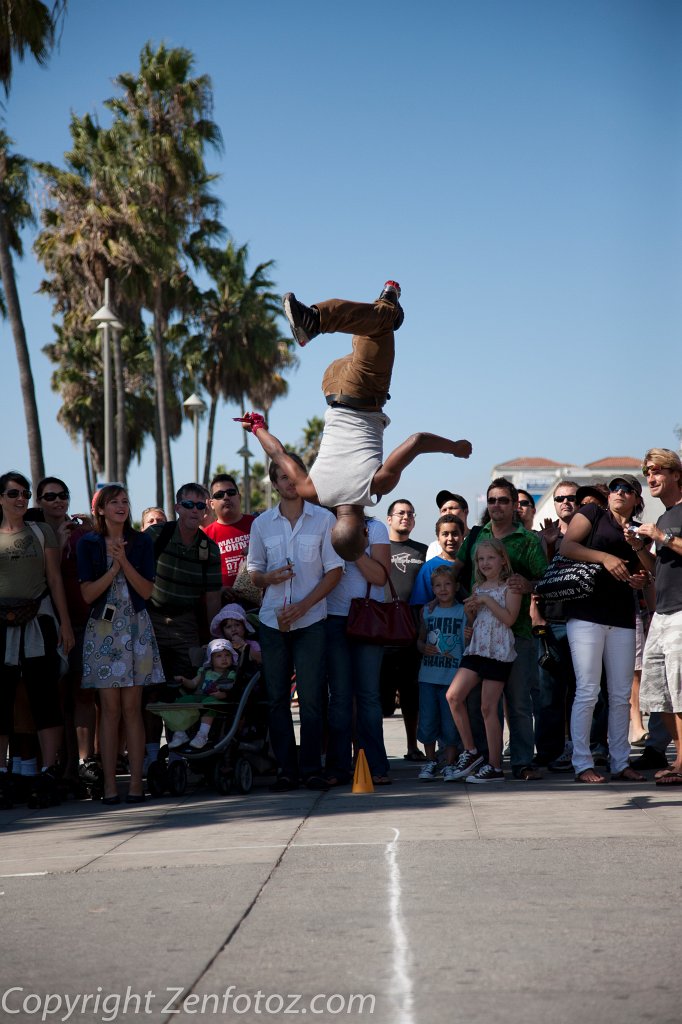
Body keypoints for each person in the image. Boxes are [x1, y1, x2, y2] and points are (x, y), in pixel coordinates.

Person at [240, 282, 472, 559]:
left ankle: (314, 320)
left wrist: (455, 448)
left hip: (365, 389)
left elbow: (417, 441)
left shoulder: (377, 485)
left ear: (364, 530)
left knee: (382, 324)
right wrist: (256, 427)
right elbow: (278, 453)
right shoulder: (311, 492)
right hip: (332, 386)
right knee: (376, 323)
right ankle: (390, 300)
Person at [247, 455, 344, 791]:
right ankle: (286, 768)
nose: (289, 482)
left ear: (302, 478)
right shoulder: (261, 524)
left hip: (312, 620)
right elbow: (253, 574)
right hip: (273, 622)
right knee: (276, 699)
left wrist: (303, 605)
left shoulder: (323, 519)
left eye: (293, 476)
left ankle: (311, 767)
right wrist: (267, 578)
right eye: (282, 477)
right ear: (274, 482)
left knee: (313, 697)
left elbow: (335, 571)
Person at [453, 478, 548, 780]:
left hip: (516, 633)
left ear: (515, 506)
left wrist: (530, 585)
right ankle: (482, 759)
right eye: (492, 500)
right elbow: (460, 573)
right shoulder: (476, 535)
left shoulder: (528, 540)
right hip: (480, 635)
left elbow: (545, 580)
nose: (496, 505)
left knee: (518, 702)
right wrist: (457, 608)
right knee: (474, 702)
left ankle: (521, 762)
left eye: (503, 500)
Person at [77, 484, 164, 804]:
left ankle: (138, 784)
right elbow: (87, 594)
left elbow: (146, 591)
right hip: (103, 631)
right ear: (99, 509)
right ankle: (111, 785)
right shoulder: (88, 544)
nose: (121, 506)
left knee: (133, 709)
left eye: (125, 501)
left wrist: (123, 561)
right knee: (109, 711)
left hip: (136, 629)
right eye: (113, 502)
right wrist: (112, 566)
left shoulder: (140, 541)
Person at [561, 475, 649, 783]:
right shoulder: (593, 514)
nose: (620, 493)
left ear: (638, 500)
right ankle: (583, 763)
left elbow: (646, 573)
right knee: (587, 690)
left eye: (628, 490)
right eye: (615, 488)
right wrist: (605, 557)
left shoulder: (638, 531)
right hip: (586, 613)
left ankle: (620, 761)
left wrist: (638, 573)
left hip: (623, 616)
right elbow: (567, 546)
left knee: (621, 695)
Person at [0, 471, 74, 803]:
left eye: (25, 494)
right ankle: (3, 775)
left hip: (38, 621)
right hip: (1, 625)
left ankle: (48, 774)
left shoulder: (41, 532)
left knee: (44, 697)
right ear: (1, 498)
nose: (20, 499)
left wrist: (66, 625)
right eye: (13, 493)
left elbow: (55, 580)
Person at [144, 483, 223, 767]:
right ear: (177, 507)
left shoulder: (209, 548)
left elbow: (213, 599)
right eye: (188, 505)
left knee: (185, 690)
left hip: (186, 624)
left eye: (200, 505)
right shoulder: (156, 534)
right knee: (151, 691)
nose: (194, 510)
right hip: (150, 620)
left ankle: (179, 756)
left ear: (206, 510)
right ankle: (152, 756)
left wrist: (214, 638)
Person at [33, 477, 97, 788]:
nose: (58, 501)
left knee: (82, 693)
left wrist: (93, 532)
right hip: (47, 624)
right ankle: (57, 765)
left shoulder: (81, 533)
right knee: (56, 697)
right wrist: (56, 542)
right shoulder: (33, 532)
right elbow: (44, 577)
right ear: (39, 501)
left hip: (84, 621)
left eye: (63, 495)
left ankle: (81, 763)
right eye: (50, 497)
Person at [324, 514, 392, 786]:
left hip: (367, 617)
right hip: (332, 618)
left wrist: (353, 550)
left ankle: (376, 765)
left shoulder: (374, 528)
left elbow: (380, 577)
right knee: (339, 698)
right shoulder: (323, 524)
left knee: (369, 697)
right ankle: (337, 767)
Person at [446, 540, 521, 783]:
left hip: (498, 651)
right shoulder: (477, 586)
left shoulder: (511, 586)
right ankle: (471, 752)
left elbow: (509, 619)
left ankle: (495, 766)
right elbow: (474, 619)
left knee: (488, 708)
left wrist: (488, 601)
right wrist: (469, 614)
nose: (485, 563)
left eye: (490, 558)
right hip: (476, 648)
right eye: (481, 559)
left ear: (502, 559)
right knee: (453, 696)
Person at [629, 450, 682, 784]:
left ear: (676, 474)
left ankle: (680, 764)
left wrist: (663, 538)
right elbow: (656, 568)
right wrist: (638, 549)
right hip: (661, 615)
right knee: (658, 694)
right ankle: (677, 756)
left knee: (680, 692)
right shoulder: (662, 518)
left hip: (681, 613)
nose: (650, 477)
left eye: (657, 470)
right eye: (647, 471)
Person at [532, 480, 580, 769]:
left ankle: (584, 749)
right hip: (551, 622)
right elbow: (540, 579)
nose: (566, 502)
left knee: (584, 692)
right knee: (548, 693)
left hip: (583, 620)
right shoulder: (542, 537)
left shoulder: (590, 535)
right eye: (560, 497)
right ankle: (548, 752)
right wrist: (549, 546)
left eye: (572, 497)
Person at [380, 498, 427, 760]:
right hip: (382, 633)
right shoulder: (377, 548)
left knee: (412, 695)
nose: (405, 517)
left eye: (410, 513)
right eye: (400, 513)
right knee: (380, 700)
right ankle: (377, 749)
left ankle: (413, 747)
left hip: (412, 633)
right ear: (389, 519)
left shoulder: (422, 550)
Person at [416, 565, 466, 780]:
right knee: (427, 722)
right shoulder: (428, 611)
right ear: (432, 589)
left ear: (456, 587)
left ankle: (450, 762)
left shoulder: (464, 611)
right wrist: (422, 647)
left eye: (447, 584)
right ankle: (430, 761)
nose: (443, 589)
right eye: (438, 585)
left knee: (450, 725)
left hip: (452, 679)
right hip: (428, 677)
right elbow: (420, 639)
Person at [169, 638, 238, 751]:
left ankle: (202, 735)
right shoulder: (203, 672)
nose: (224, 658)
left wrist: (224, 695)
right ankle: (180, 733)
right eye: (219, 656)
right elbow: (193, 684)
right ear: (211, 659)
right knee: (181, 702)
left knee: (210, 704)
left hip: (215, 700)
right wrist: (184, 680)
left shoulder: (231, 674)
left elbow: (233, 689)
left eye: (227, 655)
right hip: (199, 697)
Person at [203, 474, 255, 589]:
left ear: (239, 497)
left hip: (263, 602)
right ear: (211, 504)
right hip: (223, 604)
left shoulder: (258, 524)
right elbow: (201, 576)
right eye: (219, 495)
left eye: (231, 492)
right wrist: (220, 590)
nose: (226, 497)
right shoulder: (204, 536)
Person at [410, 514, 466, 606]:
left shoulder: (471, 563)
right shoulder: (429, 567)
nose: (450, 538)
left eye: (455, 534)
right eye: (445, 534)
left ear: (462, 536)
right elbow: (419, 605)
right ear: (438, 539)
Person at [426, 492, 470, 557]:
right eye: (444, 510)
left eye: (452, 508)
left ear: (465, 511)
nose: (448, 512)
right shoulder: (435, 548)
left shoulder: (479, 538)